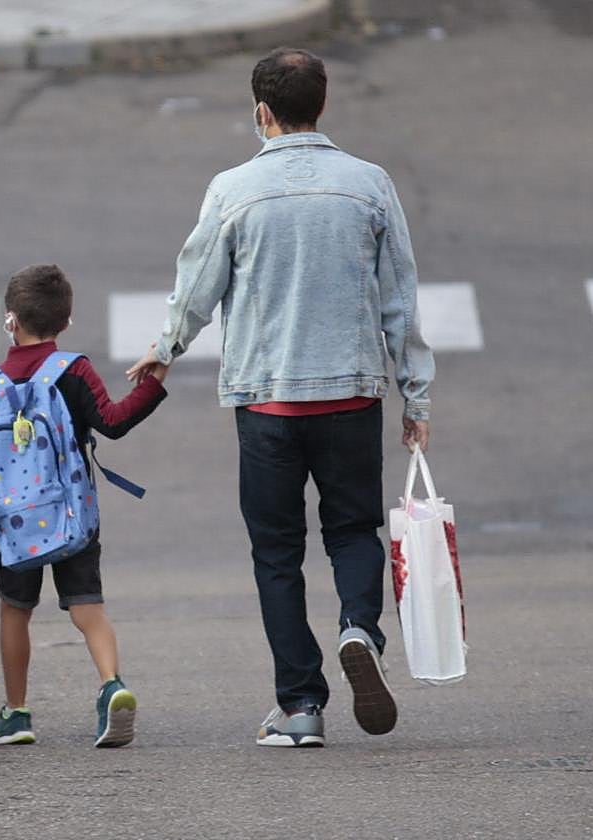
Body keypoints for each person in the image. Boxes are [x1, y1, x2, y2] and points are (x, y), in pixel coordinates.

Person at [128, 47, 435, 748]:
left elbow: (198, 281)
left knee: (277, 554)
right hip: (351, 396)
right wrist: (415, 398)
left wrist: (166, 347)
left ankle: (300, 707)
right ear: (322, 105)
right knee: (353, 532)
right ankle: (360, 628)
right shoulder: (370, 184)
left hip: (266, 406)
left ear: (261, 111)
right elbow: (400, 301)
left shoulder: (232, 190)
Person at [0, 263, 168, 748]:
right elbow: (112, 421)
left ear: (10, 320)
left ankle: (16, 714)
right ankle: (112, 684)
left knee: (15, 610)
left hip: (13, 525)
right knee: (88, 608)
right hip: (72, 518)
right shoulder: (74, 371)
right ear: (66, 322)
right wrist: (151, 384)